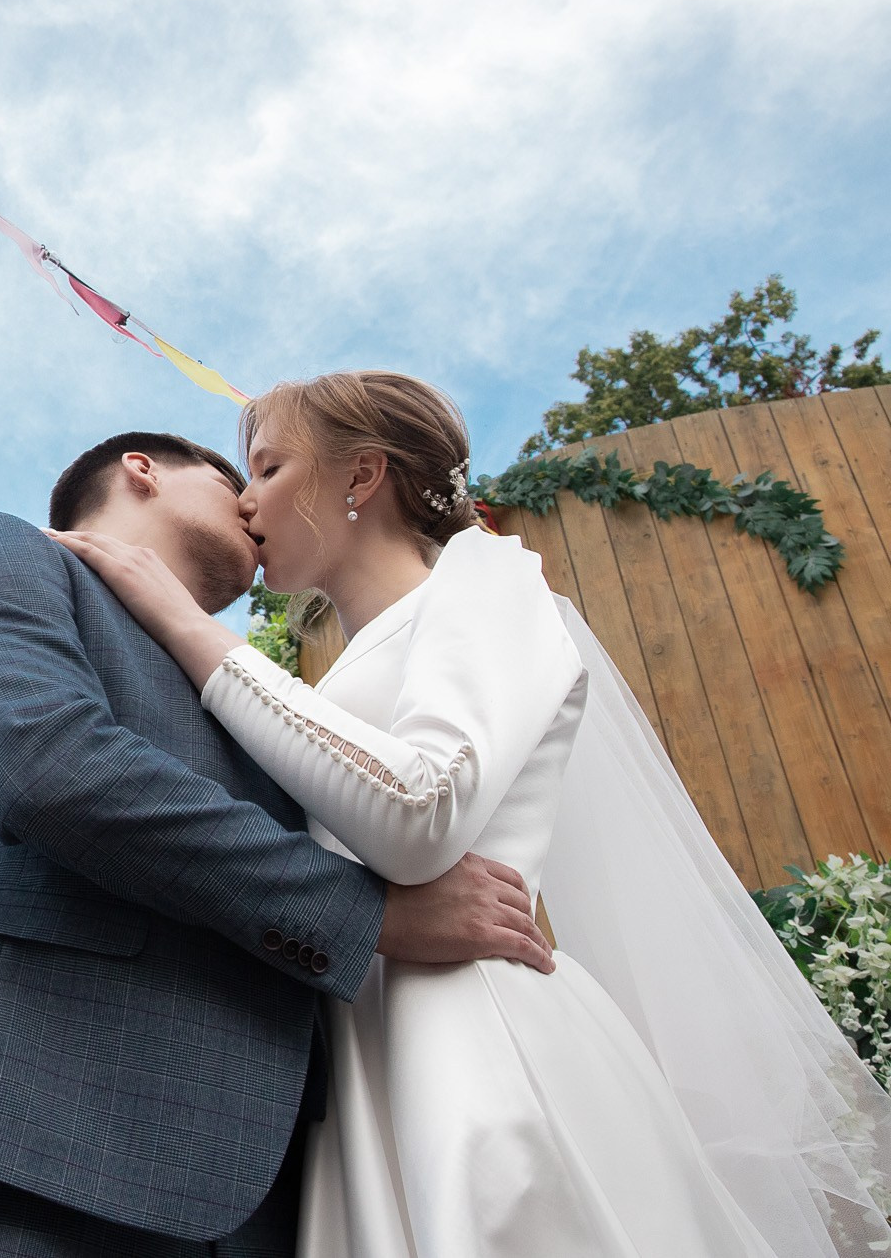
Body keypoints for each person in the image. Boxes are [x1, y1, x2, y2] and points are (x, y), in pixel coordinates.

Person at [49, 370, 891, 1257]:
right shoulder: (323, 683)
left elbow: (421, 811)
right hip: (365, 1075)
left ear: (360, 475)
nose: (245, 499)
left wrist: (187, 626)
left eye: (267, 467)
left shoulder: (491, 578)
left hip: (482, 1048)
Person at [0, 430, 556, 1257]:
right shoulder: (4, 551)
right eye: (240, 478)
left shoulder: (253, 690)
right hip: (14, 1151)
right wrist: (369, 916)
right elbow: (47, 766)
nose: (255, 505)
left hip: (272, 1204)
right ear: (142, 470)